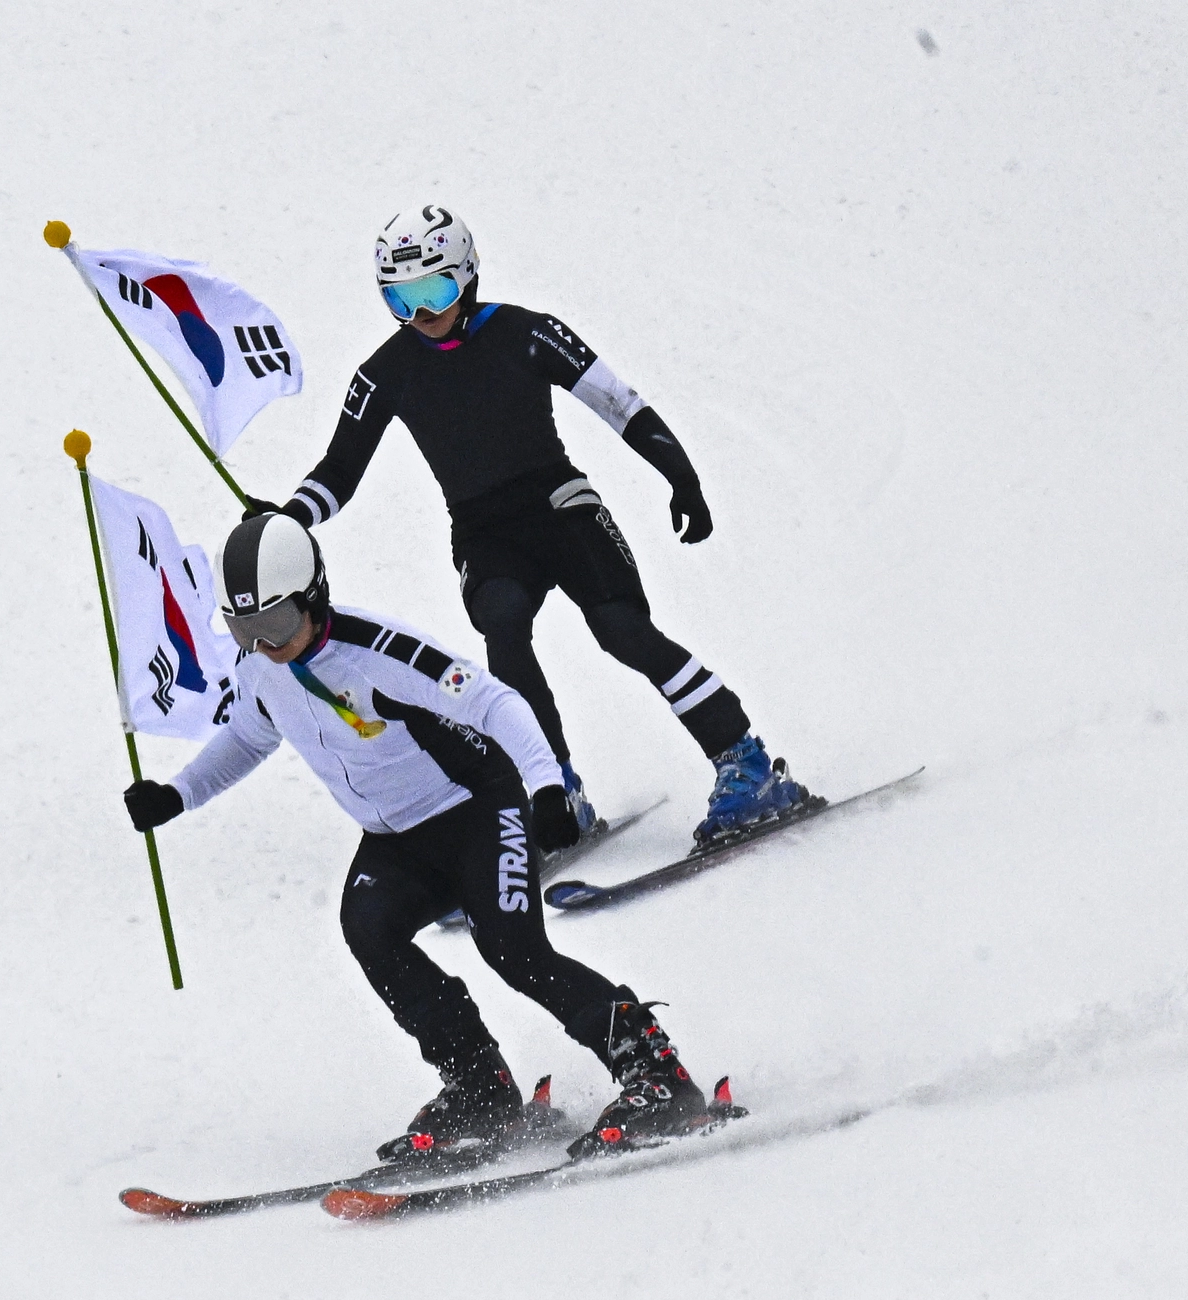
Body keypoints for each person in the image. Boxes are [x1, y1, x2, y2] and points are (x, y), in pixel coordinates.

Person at [121, 514, 733, 1158]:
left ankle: (655, 1071)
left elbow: (496, 702)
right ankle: (478, 1082)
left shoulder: (379, 653)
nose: (263, 644)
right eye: (244, 629)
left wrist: (547, 786)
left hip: (475, 809)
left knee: (513, 950)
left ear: (314, 595)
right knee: (370, 930)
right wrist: (178, 794)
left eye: (275, 624)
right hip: (397, 837)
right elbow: (249, 734)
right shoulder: (262, 670)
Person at [264, 203, 809, 845]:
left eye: (434, 291)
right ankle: (556, 790)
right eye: (401, 299)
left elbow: (619, 404)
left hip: (560, 506)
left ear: (467, 278)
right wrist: (288, 518)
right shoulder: (384, 373)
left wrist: (680, 475)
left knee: (623, 632)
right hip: (483, 531)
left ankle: (744, 759)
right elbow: (340, 468)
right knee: (502, 624)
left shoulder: (527, 332)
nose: (421, 315)